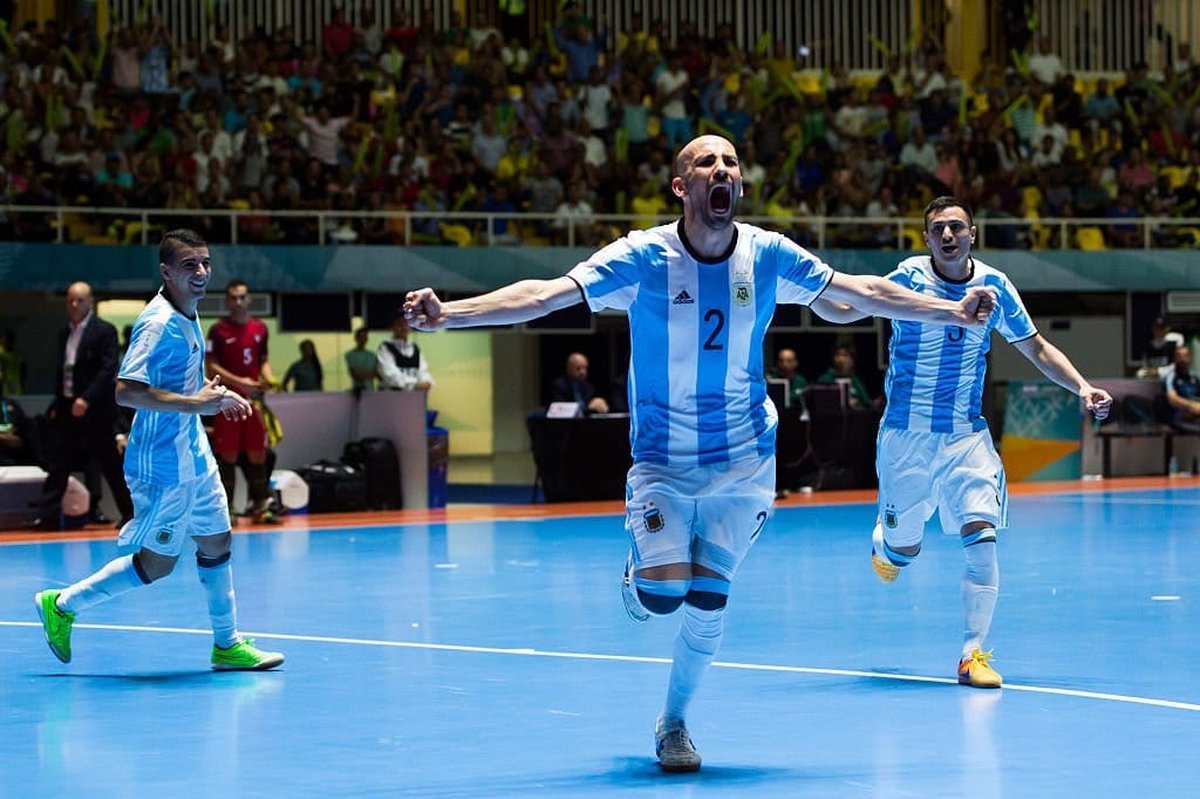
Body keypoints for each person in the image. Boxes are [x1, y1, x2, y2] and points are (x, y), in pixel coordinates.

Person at [404, 135, 996, 772]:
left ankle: (674, 722)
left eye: (732, 162)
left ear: (740, 186)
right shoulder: (641, 256)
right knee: (663, 596)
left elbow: (861, 291)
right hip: (661, 459)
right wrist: (452, 315)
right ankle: (642, 571)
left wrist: (951, 311)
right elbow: (544, 295)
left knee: (709, 598)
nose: (723, 170)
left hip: (743, 462)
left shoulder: (767, 254)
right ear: (681, 187)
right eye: (705, 163)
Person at [812, 196, 1112, 690]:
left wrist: (1082, 386)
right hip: (906, 438)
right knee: (904, 550)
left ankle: (972, 654)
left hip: (965, 437)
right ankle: (886, 545)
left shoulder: (995, 286)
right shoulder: (908, 277)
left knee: (982, 533)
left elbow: (1035, 346)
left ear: (973, 233)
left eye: (956, 226)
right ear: (927, 239)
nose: (948, 235)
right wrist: (810, 290)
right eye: (938, 229)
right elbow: (851, 307)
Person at [34, 229, 284, 672]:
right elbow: (126, 391)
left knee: (218, 538)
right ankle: (63, 604)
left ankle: (226, 645)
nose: (202, 272)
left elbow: (176, 384)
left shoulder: (188, 310)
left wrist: (208, 393)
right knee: (157, 564)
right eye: (190, 265)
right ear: (166, 272)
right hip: (162, 461)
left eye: (206, 263)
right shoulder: (157, 322)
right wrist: (196, 404)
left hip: (192, 450)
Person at [30, 282, 134, 531]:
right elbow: (64, 372)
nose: (74, 305)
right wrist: (58, 402)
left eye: (80, 300)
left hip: (96, 409)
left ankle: (131, 514)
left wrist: (86, 399)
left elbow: (108, 369)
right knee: (58, 462)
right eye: (70, 301)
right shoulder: (64, 333)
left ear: (90, 302)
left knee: (109, 463)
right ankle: (49, 516)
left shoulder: (104, 331)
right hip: (68, 408)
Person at [205, 280, 281, 523]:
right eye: (233, 298)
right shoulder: (217, 330)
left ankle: (260, 505)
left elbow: (263, 360)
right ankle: (227, 509)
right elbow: (211, 366)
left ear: (248, 299)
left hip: (253, 403)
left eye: (242, 297)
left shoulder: (260, 328)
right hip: (227, 400)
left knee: (258, 452)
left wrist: (269, 378)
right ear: (227, 301)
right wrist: (241, 381)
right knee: (228, 453)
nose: (238, 302)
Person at [377, 311, 434, 391]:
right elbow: (389, 375)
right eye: (399, 323)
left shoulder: (415, 348)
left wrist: (427, 382)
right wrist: (414, 385)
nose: (403, 327)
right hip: (391, 397)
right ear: (392, 326)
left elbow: (423, 371)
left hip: (413, 397)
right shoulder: (385, 348)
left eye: (406, 323)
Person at [815, 342, 877, 410]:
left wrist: (858, 402)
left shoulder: (856, 382)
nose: (840, 359)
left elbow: (866, 403)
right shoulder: (825, 380)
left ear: (852, 360)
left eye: (845, 355)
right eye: (837, 355)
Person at [1164, 345, 1200, 434]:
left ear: (1189, 358)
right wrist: (1191, 405)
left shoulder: (1195, 377)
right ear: (1174, 359)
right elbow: (1172, 399)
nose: (1182, 359)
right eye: (1179, 356)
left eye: (1185, 356)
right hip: (1179, 416)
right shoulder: (1171, 377)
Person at [345, 327, 378, 393]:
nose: (363, 338)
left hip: (370, 391)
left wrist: (361, 373)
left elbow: (375, 374)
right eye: (361, 336)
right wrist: (368, 374)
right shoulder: (350, 355)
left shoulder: (372, 355)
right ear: (356, 338)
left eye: (365, 336)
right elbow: (354, 374)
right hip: (357, 391)